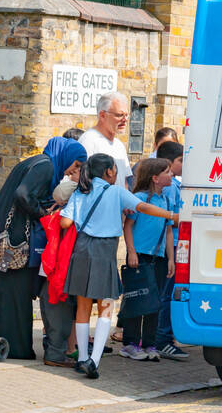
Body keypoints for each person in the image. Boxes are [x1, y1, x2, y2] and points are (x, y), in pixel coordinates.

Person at [59, 153, 178, 379]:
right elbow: (143, 208)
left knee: (83, 307)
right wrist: (172, 215)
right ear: (110, 172)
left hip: (82, 248)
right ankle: (94, 360)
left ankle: (82, 357)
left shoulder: (81, 191)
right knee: (105, 306)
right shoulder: (115, 192)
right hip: (105, 251)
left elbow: (65, 222)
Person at [0, 137, 86, 360]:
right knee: (17, 292)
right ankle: (16, 346)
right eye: (76, 166)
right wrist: (43, 212)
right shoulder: (46, 165)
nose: (71, 172)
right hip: (15, 237)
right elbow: (23, 194)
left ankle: (0, 338)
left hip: (6, 232)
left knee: (7, 291)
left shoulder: (38, 162)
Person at [121, 158, 176, 361]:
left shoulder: (167, 202)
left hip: (158, 257)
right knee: (137, 299)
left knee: (155, 302)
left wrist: (170, 258)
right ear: (155, 178)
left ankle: (150, 343)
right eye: (167, 172)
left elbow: (169, 231)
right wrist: (131, 252)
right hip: (140, 255)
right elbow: (128, 227)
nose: (171, 175)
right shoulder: (140, 199)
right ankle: (130, 343)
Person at [152, 140, 187, 359]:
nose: (185, 165)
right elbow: (170, 219)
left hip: (171, 246)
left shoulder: (173, 185)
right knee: (166, 295)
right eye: (181, 160)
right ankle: (162, 339)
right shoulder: (171, 187)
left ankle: (164, 337)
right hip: (169, 247)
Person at [78, 93, 132, 189]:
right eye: (119, 115)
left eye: (127, 115)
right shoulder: (88, 141)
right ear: (102, 115)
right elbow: (80, 179)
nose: (125, 120)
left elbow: (124, 183)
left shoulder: (119, 146)